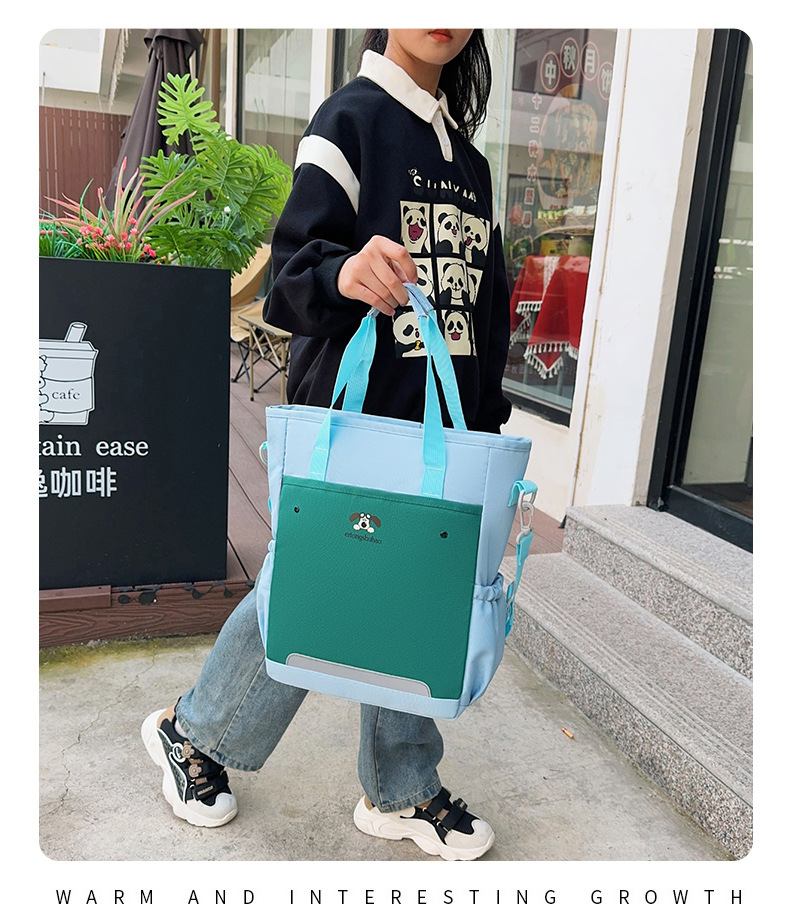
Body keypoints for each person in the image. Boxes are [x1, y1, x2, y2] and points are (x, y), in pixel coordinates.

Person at [142, 28, 512, 862]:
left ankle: (400, 787)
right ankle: (194, 733)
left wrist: (485, 423)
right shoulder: (351, 120)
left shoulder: (472, 164)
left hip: (444, 430)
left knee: (417, 599)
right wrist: (346, 274)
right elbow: (288, 278)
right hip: (354, 417)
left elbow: (483, 308)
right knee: (314, 591)